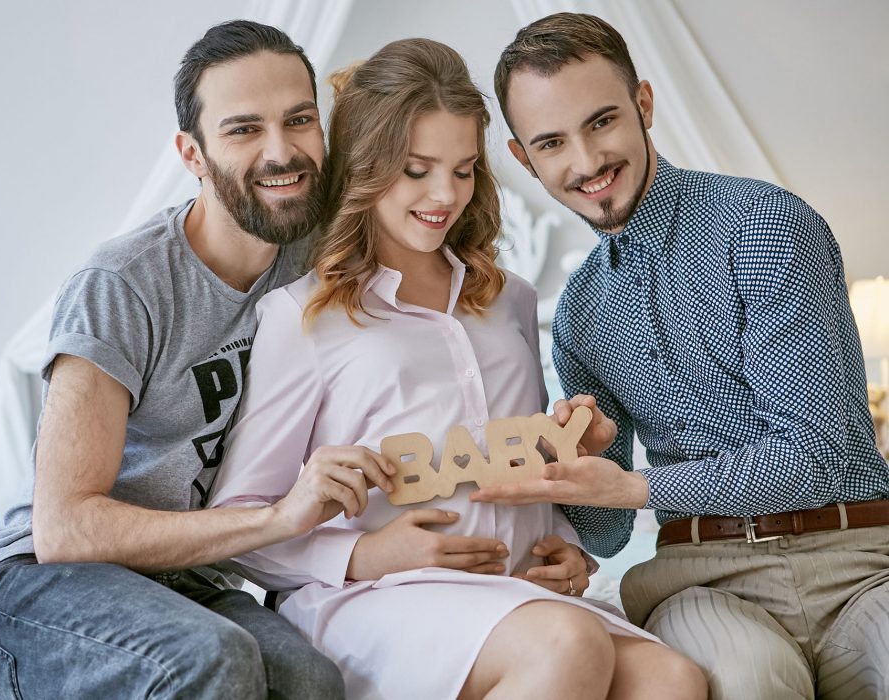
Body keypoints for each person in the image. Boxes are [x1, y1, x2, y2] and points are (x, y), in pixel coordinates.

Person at [207, 38, 707, 700]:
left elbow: (517, 464)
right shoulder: (301, 317)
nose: (445, 194)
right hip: (378, 600)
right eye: (417, 170)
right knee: (566, 643)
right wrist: (361, 556)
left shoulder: (511, 301)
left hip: (515, 596)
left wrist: (564, 547)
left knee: (672, 679)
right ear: (366, 166)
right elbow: (241, 523)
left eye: (464, 169)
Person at [0, 20, 386, 699]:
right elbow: (64, 526)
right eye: (244, 129)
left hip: (188, 580)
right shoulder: (123, 284)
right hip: (37, 582)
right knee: (211, 658)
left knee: (312, 681)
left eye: (299, 119)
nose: (281, 150)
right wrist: (277, 520)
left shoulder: (319, 257)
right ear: (192, 154)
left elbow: (432, 194)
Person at [474, 11, 889, 699]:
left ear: (643, 104)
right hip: (703, 580)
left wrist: (636, 486)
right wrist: (587, 463)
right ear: (525, 158)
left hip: (860, 563)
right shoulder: (577, 314)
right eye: (552, 142)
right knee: (751, 680)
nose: (586, 163)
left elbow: (813, 457)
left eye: (601, 121)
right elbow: (607, 537)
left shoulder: (764, 227)